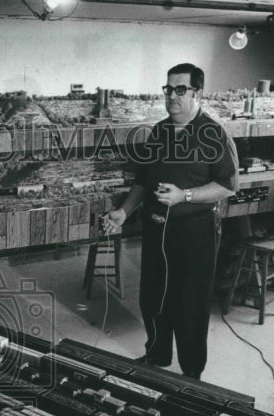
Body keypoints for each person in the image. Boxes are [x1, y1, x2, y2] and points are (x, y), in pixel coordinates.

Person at [102, 63, 238, 380]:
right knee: (153, 296)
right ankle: (157, 354)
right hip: (156, 229)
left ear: (197, 93)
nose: (172, 96)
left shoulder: (214, 134)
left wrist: (185, 196)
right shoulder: (159, 131)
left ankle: (192, 372)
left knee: (190, 303)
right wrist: (125, 211)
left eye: (181, 89)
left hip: (194, 234)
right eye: (169, 89)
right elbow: (143, 180)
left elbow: (228, 185)